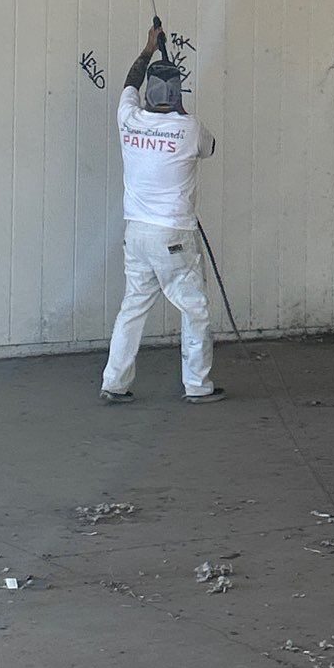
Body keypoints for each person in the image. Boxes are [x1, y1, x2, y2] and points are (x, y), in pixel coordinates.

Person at [100, 22, 225, 404]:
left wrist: (148, 48)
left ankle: (114, 383)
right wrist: (181, 113)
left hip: (137, 234)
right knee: (195, 309)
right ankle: (197, 386)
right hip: (173, 236)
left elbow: (130, 82)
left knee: (133, 308)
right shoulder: (189, 128)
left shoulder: (128, 118)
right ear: (177, 94)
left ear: (147, 94)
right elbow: (211, 148)